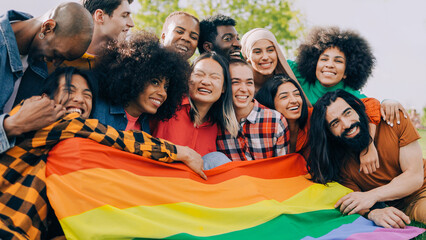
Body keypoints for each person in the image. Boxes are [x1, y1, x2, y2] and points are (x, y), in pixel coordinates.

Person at [0, 66, 206, 239]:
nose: (79, 100)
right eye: (70, 91)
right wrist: (179, 151)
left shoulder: (64, 146)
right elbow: (116, 138)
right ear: (46, 97)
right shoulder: (35, 111)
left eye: (86, 95)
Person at [307, 89, 425, 227]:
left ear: (358, 110)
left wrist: (371, 196)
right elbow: (357, 202)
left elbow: (415, 177)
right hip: (405, 205)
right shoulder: (338, 163)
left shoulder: (392, 118)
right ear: (329, 133)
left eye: (348, 113)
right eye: (335, 123)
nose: (347, 124)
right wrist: (373, 213)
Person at [0, 2, 93, 154]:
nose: (56, 63)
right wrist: (14, 124)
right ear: (47, 27)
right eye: (57, 54)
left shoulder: (39, 62)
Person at [93, 30, 189, 134]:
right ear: (134, 78)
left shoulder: (146, 126)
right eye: (155, 82)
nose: (163, 93)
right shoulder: (97, 108)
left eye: (166, 87)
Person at [153, 51, 239, 157]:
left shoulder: (218, 126)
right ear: (188, 78)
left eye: (214, 77)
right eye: (199, 74)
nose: (206, 82)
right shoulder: (168, 104)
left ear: (224, 88)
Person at [216, 59, 289, 162]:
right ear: (223, 86)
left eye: (249, 83)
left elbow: (282, 166)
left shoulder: (276, 120)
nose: (244, 89)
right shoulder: (215, 122)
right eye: (235, 82)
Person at [51, 0, 135, 71]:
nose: (131, 24)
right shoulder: (53, 58)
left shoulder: (126, 65)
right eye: (124, 16)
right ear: (100, 16)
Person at [240, 28, 298, 93]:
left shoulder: (289, 79)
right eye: (257, 52)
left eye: (270, 50)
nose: (265, 57)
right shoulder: (239, 86)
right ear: (247, 57)